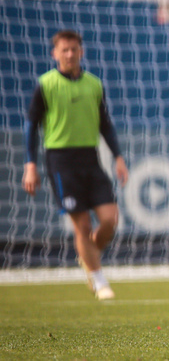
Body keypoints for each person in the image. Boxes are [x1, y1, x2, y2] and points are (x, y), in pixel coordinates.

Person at [22, 30, 128, 301]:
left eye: (74, 49)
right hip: (60, 160)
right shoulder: (45, 84)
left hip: (90, 158)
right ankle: (99, 279)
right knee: (81, 225)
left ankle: (88, 255)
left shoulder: (94, 84)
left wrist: (118, 156)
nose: (69, 54)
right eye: (64, 50)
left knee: (109, 219)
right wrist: (30, 164)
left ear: (81, 52)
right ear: (54, 54)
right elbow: (31, 126)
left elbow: (105, 124)